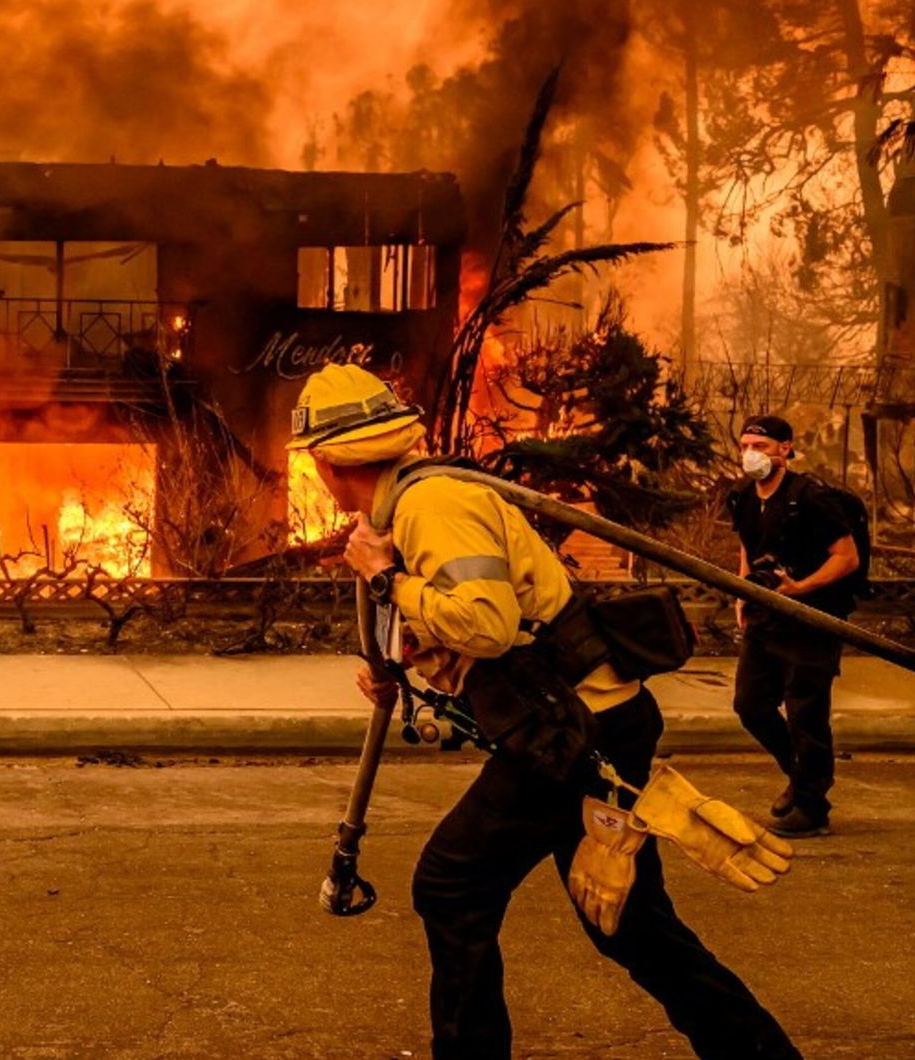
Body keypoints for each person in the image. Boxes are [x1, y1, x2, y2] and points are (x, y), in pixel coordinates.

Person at [290, 364, 799, 1060]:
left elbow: (488, 624)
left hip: (574, 732)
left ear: (324, 460)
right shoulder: (407, 507)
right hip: (586, 723)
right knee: (627, 926)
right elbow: (463, 620)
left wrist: (385, 578)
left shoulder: (429, 505)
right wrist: (397, 664)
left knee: (451, 883)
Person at [729, 414, 859, 838]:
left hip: (812, 619)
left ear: (785, 448)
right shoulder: (745, 497)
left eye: (761, 447)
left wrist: (800, 588)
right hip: (765, 617)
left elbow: (846, 557)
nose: (751, 454)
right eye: (746, 445)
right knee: (751, 705)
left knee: (806, 712)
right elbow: (749, 549)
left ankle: (811, 806)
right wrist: (741, 592)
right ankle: (804, 781)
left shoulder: (812, 498)